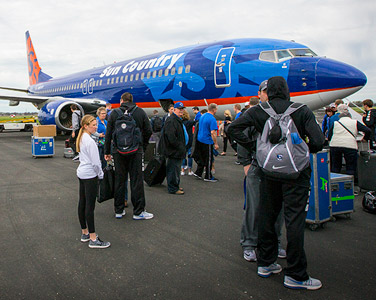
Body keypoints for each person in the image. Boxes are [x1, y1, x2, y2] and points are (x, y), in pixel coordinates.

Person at [227, 76, 325, 290]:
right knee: (294, 221)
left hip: (268, 172)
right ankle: (296, 274)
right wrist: (305, 149)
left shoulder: (258, 111)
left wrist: (255, 146)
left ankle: (265, 263)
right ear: (287, 90)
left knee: (266, 216)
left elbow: (232, 129)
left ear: (268, 91)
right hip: (296, 174)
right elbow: (318, 141)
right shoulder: (302, 110)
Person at [228, 88, 286, 263]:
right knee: (254, 208)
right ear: (260, 93)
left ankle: (274, 242)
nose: (269, 95)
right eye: (266, 91)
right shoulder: (254, 112)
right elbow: (238, 133)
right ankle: (249, 244)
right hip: (257, 166)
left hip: (278, 167)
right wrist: (246, 161)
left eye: (272, 91)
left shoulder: (283, 112)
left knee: (277, 208)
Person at [104, 92, 153, 220]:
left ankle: (119, 210)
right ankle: (138, 212)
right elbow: (148, 131)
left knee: (120, 180)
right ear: (132, 100)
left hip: (118, 151)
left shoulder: (114, 113)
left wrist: (107, 152)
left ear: (121, 101)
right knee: (136, 180)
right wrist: (143, 145)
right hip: (136, 151)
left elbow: (108, 134)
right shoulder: (140, 112)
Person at [76, 115, 110, 249]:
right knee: (90, 207)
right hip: (90, 175)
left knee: (82, 202)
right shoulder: (90, 141)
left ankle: (84, 232)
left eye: (96, 124)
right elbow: (96, 163)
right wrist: (100, 175)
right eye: (93, 124)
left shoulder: (82, 138)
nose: (95, 126)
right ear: (85, 126)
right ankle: (93, 238)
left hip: (82, 173)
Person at [329, 104, 371, 176]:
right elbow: (368, 130)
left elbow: (330, 136)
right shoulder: (355, 122)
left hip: (335, 145)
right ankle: (350, 182)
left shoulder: (336, 123)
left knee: (335, 166)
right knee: (350, 166)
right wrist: (365, 138)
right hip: (350, 145)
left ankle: (334, 182)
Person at [160, 102, 188, 195]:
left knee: (176, 169)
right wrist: (180, 146)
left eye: (182, 109)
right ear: (174, 109)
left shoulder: (177, 120)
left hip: (177, 151)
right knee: (173, 170)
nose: (181, 111)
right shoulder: (172, 120)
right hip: (173, 151)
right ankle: (172, 188)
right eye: (179, 109)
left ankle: (175, 185)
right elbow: (171, 137)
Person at [193, 103, 219, 182]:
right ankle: (208, 176)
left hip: (200, 139)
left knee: (202, 158)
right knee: (209, 159)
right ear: (214, 110)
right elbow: (213, 133)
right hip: (207, 141)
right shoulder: (212, 119)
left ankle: (199, 172)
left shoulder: (202, 116)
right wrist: (216, 143)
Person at [181, 109, 195, 176]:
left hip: (183, 140)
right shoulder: (190, 122)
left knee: (183, 156)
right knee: (190, 156)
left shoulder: (180, 122)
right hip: (190, 140)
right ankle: (190, 170)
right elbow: (197, 122)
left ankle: (182, 170)